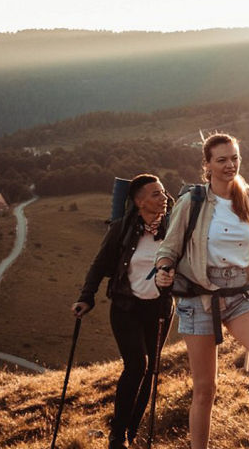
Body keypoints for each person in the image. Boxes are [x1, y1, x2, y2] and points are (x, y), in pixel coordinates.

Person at [153, 133, 249, 449]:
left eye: (235, 158)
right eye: (222, 160)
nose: (230, 165)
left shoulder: (248, 197)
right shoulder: (194, 201)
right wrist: (163, 269)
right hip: (200, 298)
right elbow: (169, 247)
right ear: (207, 165)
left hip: (240, 294)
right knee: (205, 388)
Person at [72, 174, 172, 449]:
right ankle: (117, 436)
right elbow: (99, 264)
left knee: (151, 369)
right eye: (155, 194)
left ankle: (132, 431)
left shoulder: (174, 228)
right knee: (136, 365)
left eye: (163, 192)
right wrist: (86, 298)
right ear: (139, 201)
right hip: (126, 308)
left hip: (160, 309)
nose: (163, 197)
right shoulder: (121, 229)